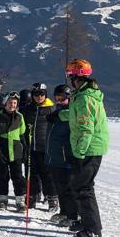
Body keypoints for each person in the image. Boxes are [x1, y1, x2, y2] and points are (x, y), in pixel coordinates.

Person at [66, 58, 109, 237]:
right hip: (89, 147)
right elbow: (77, 115)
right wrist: (59, 114)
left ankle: (93, 230)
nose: (70, 80)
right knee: (81, 185)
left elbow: (86, 128)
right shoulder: (83, 95)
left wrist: (79, 153)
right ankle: (86, 222)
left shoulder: (85, 98)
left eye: (71, 76)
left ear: (76, 77)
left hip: (89, 148)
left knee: (83, 187)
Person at [41, 84, 79, 226]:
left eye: (62, 98)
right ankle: (64, 212)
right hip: (54, 156)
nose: (59, 100)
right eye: (57, 97)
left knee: (67, 188)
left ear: (69, 98)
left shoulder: (70, 113)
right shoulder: (57, 112)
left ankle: (73, 215)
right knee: (60, 187)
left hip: (65, 157)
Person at [22, 82, 58, 211]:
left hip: (45, 148)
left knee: (47, 174)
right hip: (31, 147)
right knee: (31, 173)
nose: (39, 97)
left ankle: (52, 198)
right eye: (36, 94)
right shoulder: (28, 108)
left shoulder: (51, 108)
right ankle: (32, 196)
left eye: (42, 94)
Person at [0, 91, 27, 210]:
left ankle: (20, 200)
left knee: (18, 176)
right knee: (2, 176)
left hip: (16, 150)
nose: (12, 105)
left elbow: (22, 135)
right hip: (2, 148)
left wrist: (25, 149)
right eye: (10, 102)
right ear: (5, 103)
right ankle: (3, 199)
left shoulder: (20, 116)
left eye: (15, 103)